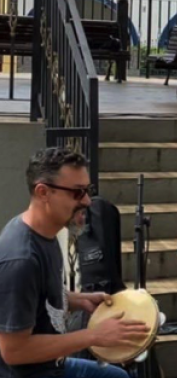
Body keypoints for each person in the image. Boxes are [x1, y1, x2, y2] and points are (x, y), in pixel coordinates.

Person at [0, 148, 150, 378]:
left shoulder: (46, 233)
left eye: (87, 190)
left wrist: (75, 300)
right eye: (77, 193)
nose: (88, 201)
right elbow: (14, 351)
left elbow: (37, 297)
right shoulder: (21, 260)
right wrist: (94, 336)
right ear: (43, 192)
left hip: (52, 366)